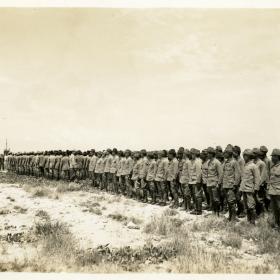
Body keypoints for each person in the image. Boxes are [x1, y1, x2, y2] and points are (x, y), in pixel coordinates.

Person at [240, 149, 261, 225]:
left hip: (250, 189)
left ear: (249, 156)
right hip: (244, 189)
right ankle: (249, 220)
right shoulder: (246, 165)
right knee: (246, 206)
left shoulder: (253, 166)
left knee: (251, 206)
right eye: (243, 155)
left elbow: (257, 178)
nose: (244, 156)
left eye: (245, 155)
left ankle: (253, 222)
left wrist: (255, 189)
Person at [221, 146, 241, 221]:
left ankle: (233, 217)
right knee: (229, 202)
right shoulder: (226, 162)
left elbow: (237, 175)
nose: (224, 154)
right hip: (226, 185)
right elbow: (224, 174)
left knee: (231, 202)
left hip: (231, 186)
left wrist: (235, 185)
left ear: (229, 154)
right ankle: (230, 216)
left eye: (225, 153)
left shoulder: (234, 162)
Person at [206, 147, 222, 216]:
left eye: (208, 153)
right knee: (212, 199)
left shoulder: (217, 162)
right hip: (209, 183)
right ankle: (213, 212)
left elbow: (220, 174)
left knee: (216, 199)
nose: (207, 155)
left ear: (212, 154)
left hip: (215, 184)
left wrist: (218, 183)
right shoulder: (209, 162)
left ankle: (217, 213)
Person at [267, 148, 280, 231]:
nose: (272, 158)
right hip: (272, 191)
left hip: (279, 191)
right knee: (275, 210)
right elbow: (270, 179)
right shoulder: (272, 167)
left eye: (273, 156)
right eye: (272, 156)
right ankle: (276, 225)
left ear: (278, 157)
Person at [253, 148, 267, 216]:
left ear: (257, 154)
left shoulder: (261, 163)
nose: (252, 154)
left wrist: (258, 185)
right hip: (253, 185)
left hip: (259, 185)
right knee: (255, 200)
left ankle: (263, 214)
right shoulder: (253, 162)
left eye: (254, 153)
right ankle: (258, 213)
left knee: (260, 200)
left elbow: (263, 176)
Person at [189, 148, 202, 215]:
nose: (190, 155)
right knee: (194, 196)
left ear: (194, 154)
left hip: (196, 182)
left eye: (191, 154)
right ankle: (196, 208)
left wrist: (198, 181)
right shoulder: (193, 161)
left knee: (198, 196)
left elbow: (199, 172)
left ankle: (199, 210)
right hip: (192, 181)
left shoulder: (198, 161)